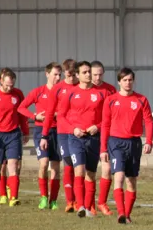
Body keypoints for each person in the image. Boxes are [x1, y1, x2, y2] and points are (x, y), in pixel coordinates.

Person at [52, 61, 108, 218]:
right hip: (75, 138)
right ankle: (81, 206)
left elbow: (109, 117)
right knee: (79, 170)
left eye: (89, 71)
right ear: (77, 75)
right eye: (85, 72)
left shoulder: (102, 93)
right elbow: (61, 116)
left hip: (94, 138)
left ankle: (89, 207)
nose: (89, 75)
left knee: (91, 173)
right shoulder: (70, 93)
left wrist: (98, 126)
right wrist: (73, 129)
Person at [101, 68, 153, 224]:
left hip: (134, 143)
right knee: (119, 176)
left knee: (131, 180)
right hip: (116, 142)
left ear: (134, 81)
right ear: (119, 82)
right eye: (124, 80)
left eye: (130, 80)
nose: (127, 83)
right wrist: (103, 149)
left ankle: (128, 214)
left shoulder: (141, 100)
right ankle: (121, 213)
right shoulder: (110, 100)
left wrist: (149, 141)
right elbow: (105, 125)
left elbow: (149, 122)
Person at [0, 68, 29, 207]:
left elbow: (22, 114)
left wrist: (25, 132)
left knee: (13, 165)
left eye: (12, 85)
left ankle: (13, 197)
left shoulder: (18, 94)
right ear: (0, 81)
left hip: (13, 134)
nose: (9, 87)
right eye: (7, 84)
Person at [18, 62, 63, 210]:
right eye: (55, 74)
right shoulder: (38, 91)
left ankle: (53, 200)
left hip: (58, 131)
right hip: (41, 131)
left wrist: (56, 115)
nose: (58, 77)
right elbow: (21, 108)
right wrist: (34, 116)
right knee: (44, 164)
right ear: (47, 74)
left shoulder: (63, 92)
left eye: (59, 74)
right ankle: (43, 197)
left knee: (55, 167)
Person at [41, 59, 79, 212]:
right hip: (63, 132)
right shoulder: (57, 89)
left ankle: (81, 200)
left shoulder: (83, 87)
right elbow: (49, 113)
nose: (70, 78)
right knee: (69, 165)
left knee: (81, 168)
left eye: (72, 75)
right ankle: (70, 201)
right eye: (67, 75)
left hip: (81, 132)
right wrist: (44, 135)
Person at [89, 61, 117, 216]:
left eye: (100, 74)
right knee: (90, 171)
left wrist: (98, 126)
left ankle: (102, 202)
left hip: (105, 134)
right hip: (87, 136)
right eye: (94, 74)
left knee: (107, 169)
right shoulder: (84, 89)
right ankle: (89, 204)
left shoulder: (110, 90)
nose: (97, 77)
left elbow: (112, 115)